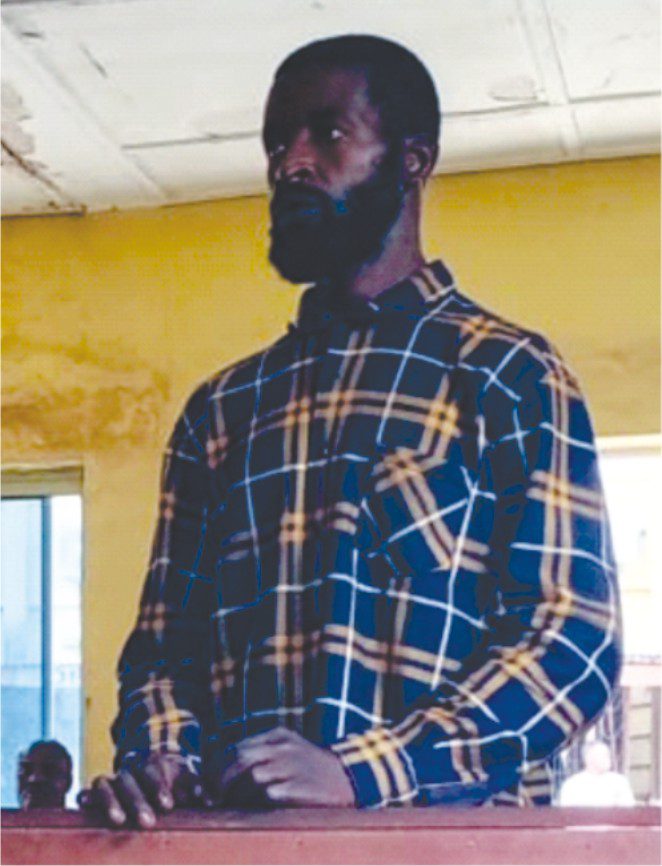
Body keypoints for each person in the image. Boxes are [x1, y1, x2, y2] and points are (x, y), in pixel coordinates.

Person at [79, 34, 621, 828]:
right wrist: (163, 758)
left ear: (413, 159)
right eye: (277, 142)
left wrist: (363, 773)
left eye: (327, 134)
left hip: (454, 850)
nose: (290, 163)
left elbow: (568, 642)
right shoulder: (221, 411)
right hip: (238, 854)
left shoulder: (508, 375)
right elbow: (164, 652)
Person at [558, 740, 635, 807]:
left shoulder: (619, 782)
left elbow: (628, 812)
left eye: (608, 755)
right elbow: (568, 816)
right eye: (604, 755)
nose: (608, 759)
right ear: (589, 758)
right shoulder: (572, 785)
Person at [18, 740, 73, 809]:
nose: (34, 779)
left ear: (68, 781)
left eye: (49, 770)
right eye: (27, 770)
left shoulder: (83, 819)